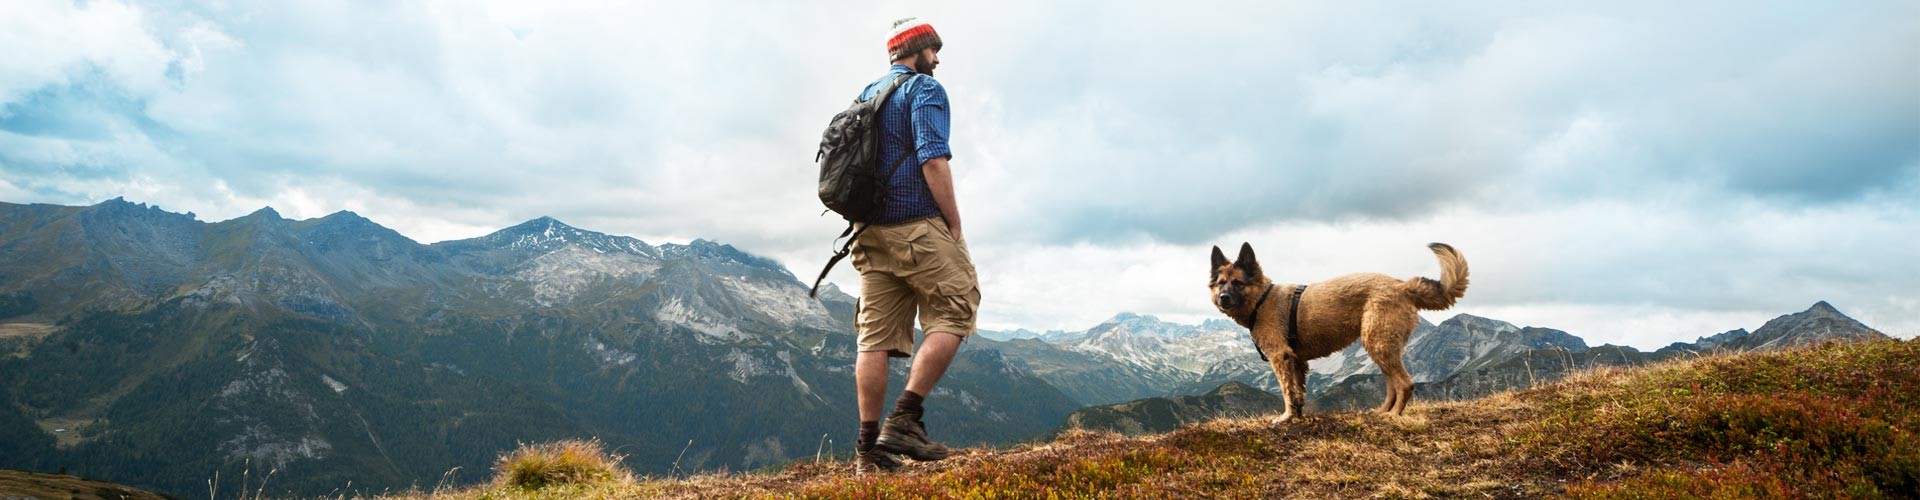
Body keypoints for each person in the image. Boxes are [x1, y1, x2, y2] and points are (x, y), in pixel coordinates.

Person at [849, 17, 980, 475]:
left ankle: (869, 452)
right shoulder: (924, 90)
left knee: (875, 337)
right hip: (917, 225)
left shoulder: (867, 94)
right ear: (916, 50)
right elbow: (932, 158)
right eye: (934, 49)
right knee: (957, 308)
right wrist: (954, 221)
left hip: (868, 232)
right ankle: (905, 419)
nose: (938, 58)